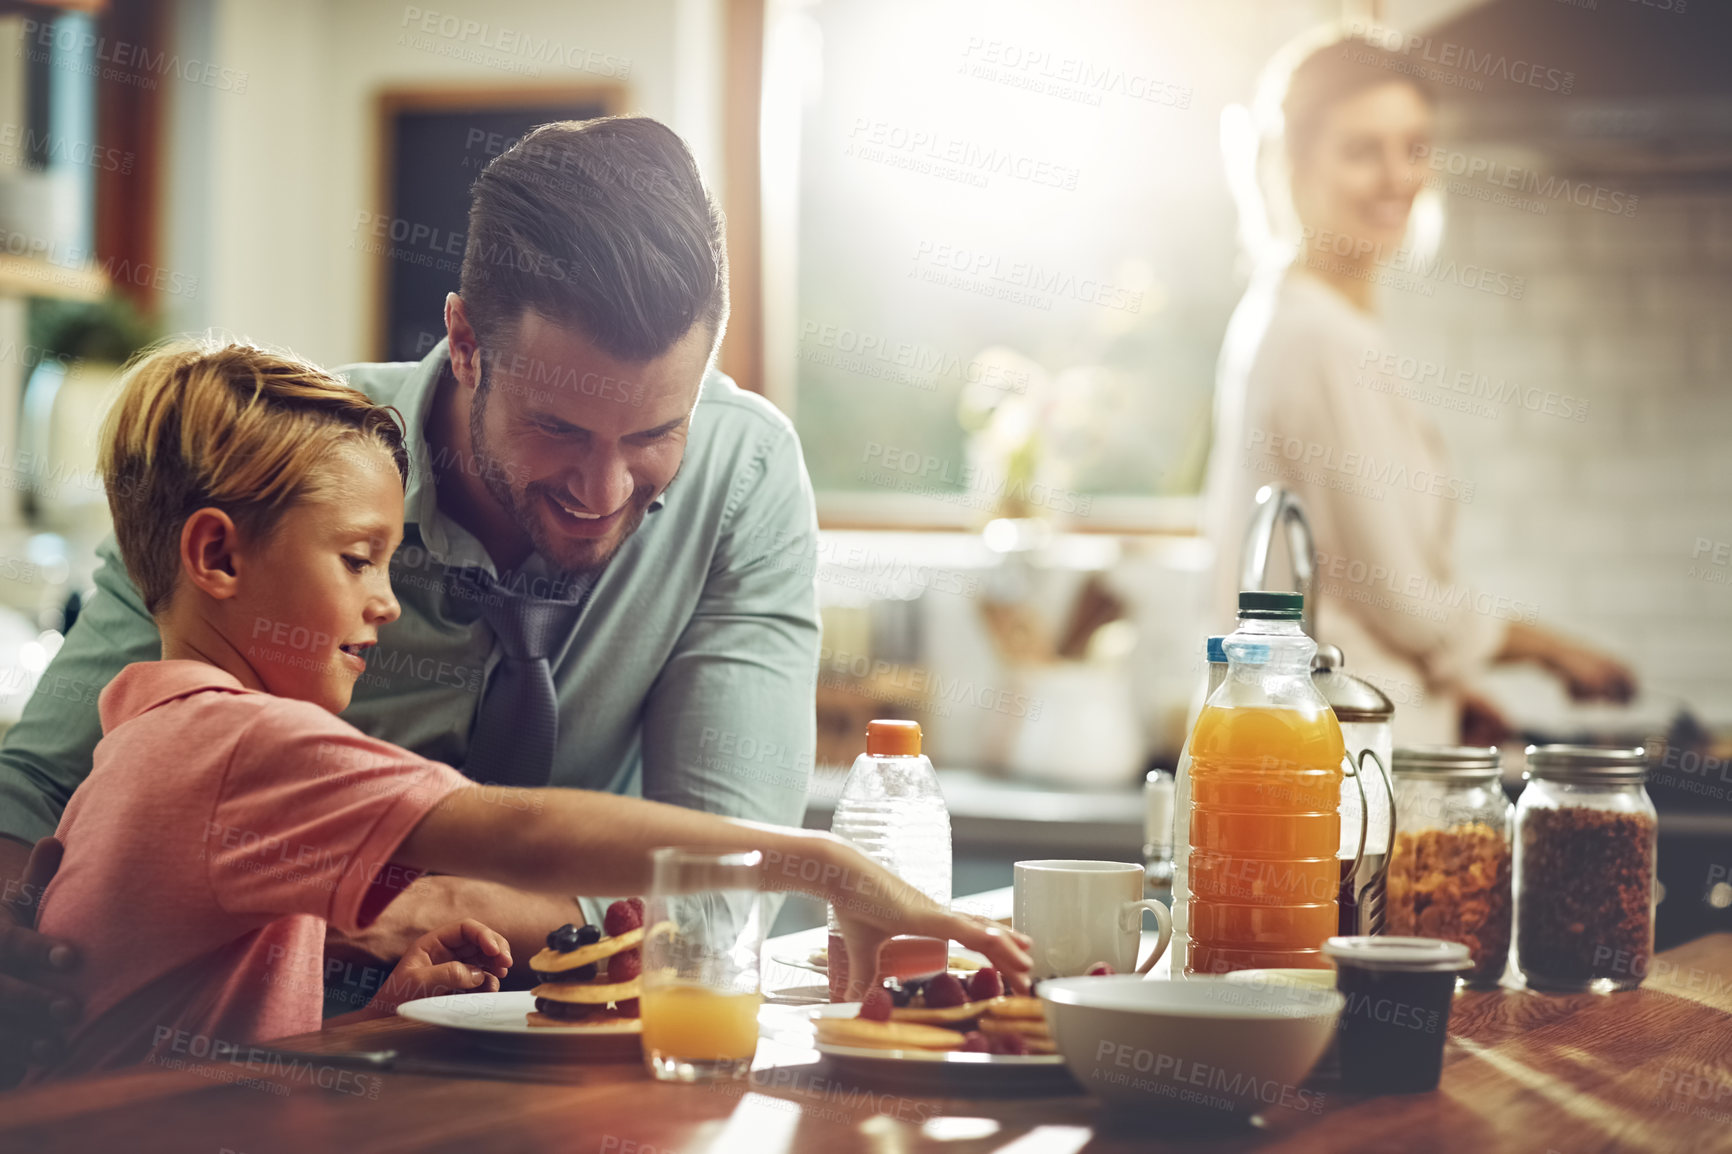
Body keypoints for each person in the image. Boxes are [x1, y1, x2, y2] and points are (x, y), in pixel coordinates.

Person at [0, 116, 823, 1076]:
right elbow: (35, 794)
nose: (603, 494)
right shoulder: (280, 466)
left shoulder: (747, 471)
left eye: (654, 434)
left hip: (581, 1060)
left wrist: (438, 908)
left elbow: (716, 898)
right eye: (557, 427)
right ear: (466, 341)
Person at [19, 340, 1030, 1081]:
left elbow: (213, 1017)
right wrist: (831, 864)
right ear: (218, 556)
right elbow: (533, 831)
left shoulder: (149, 731)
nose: (385, 597)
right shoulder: (239, 741)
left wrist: (389, 1000)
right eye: (358, 558)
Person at [1205, 31, 1635, 744]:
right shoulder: (1319, 338)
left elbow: (1347, 580)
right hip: (1351, 759)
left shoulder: (1295, 315)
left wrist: (1457, 691)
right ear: (1294, 163)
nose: (1398, 177)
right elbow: (1403, 599)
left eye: (1414, 147)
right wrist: (1555, 649)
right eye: (1361, 151)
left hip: (1335, 738)